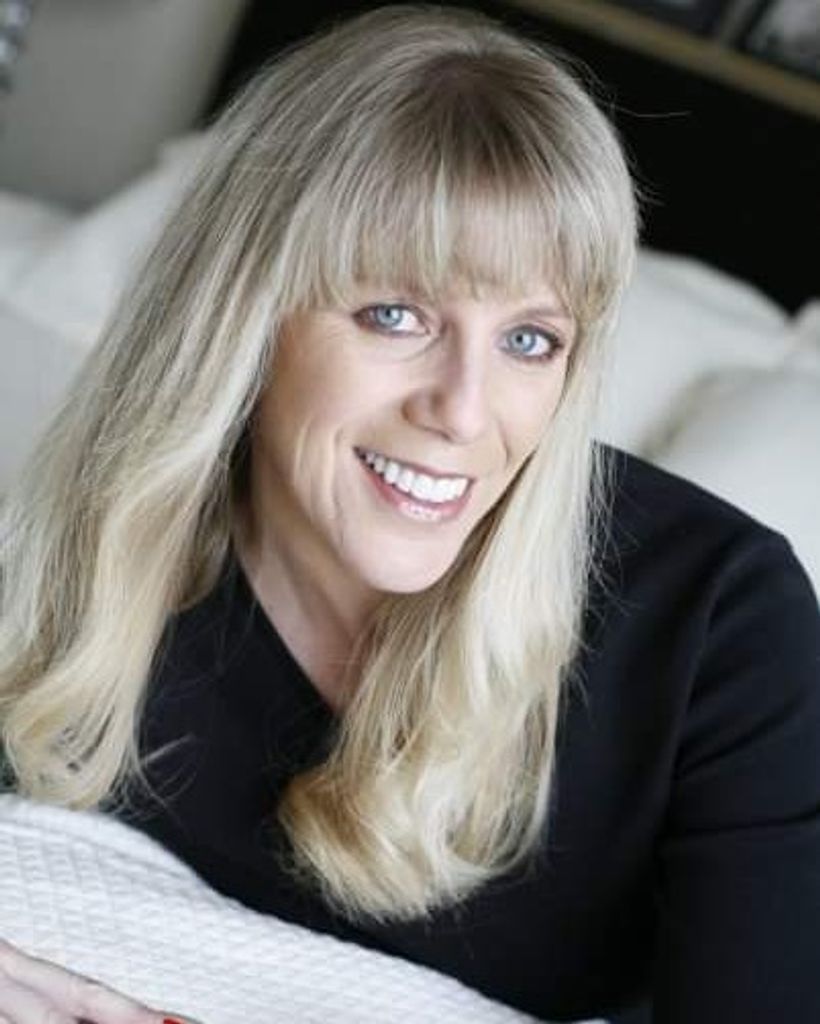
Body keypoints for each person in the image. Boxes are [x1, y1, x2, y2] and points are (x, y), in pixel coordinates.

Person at [1, 5, 818, 1023]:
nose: (463, 412)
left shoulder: (719, 628)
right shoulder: (103, 548)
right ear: (245, 311)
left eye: (529, 340)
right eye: (395, 316)